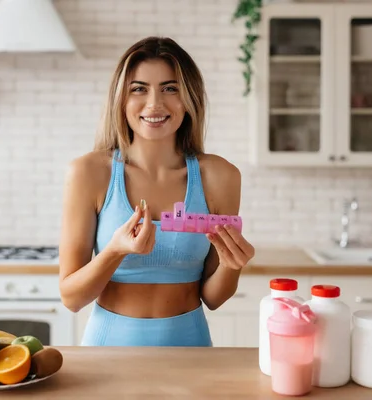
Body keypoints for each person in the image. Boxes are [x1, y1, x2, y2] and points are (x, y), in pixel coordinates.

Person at [58, 36, 255, 347]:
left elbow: (213, 298)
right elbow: (71, 298)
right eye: (139, 89)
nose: (154, 104)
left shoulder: (221, 176)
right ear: (120, 99)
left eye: (170, 88)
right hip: (107, 348)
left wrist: (232, 266)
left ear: (189, 98)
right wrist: (115, 251)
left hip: (190, 348)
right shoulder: (89, 173)